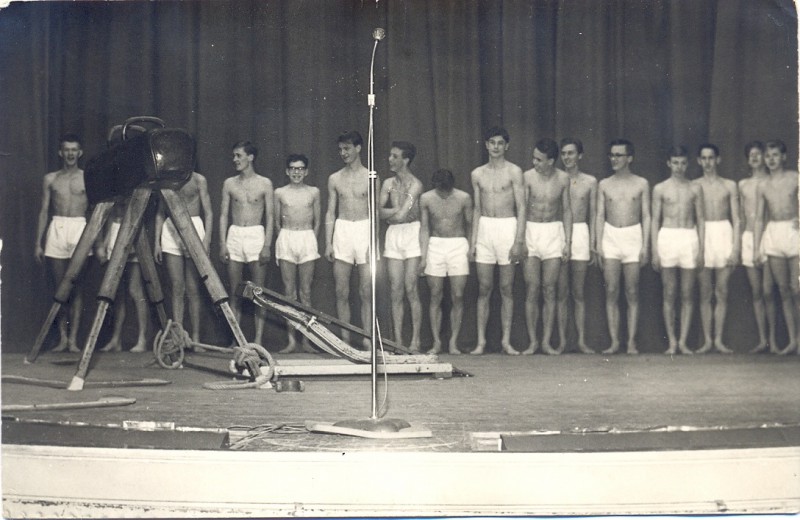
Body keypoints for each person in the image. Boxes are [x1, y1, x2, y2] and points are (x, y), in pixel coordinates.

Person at [468, 127, 526, 355]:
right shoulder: (477, 174)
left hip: (507, 227)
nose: (495, 147)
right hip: (485, 229)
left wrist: (519, 239)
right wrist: (473, 242)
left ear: (506, 146)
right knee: (484, 287)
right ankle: (481, 342)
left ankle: (505, 342)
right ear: (486, 145)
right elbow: (476, 209)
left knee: (506, 287)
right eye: (492, 142)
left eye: (500, 143)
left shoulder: (514, 172)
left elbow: (521, 207)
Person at [34, 134, 89, 353]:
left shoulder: (87, 178)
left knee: (75, 287)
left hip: (79, 228)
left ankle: (74, 340)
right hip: (57, 228)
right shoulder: (51, 179)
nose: (70, 153)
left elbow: (95, 209)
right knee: (60, 288)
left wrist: (98, 241)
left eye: (74, 149)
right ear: (61, 153)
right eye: (66, 150)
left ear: (80, 152)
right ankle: (63, 339)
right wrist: (38, 243)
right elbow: (44, 212)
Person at [596, 138, 651, 355]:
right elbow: (600, 215)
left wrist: (646, 245)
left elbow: (646, 215)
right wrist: (598, 244)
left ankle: (631, 343)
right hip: (610, 236)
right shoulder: (604, 184)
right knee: (610, 290)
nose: (614, 159)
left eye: (619, 155)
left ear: (630, 158)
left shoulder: (641, 183)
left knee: (632, 291)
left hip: (633, 236)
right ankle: (614, 342)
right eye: (612, 155)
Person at [219, 141, 273, 347]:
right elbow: (223, 214)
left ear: (250, 157)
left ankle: (258, 340)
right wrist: (222, 243)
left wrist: (267, 245)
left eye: (239, 156)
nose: (235, 160)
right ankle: (236, 339)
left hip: (256, 235)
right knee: (235, 291)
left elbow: (271, 216)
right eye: (234, 156)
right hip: (235, 234)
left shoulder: (265, 183)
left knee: (258, 292)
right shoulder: (229, 184)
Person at [651, 146, 705, 355]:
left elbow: (700, 219)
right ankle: (672, 342)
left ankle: (683, 341)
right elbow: (655, 219)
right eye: (675, 162)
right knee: (669, 292)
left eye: (682, 163)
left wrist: (700, 248)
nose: (679, 167)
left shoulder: (694, 188)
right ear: (669, 163)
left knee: (687, 293)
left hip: (688, 237)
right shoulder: (660, 189)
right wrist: (654, 250)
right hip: (668, 236)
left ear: (687, 164)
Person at [324, 131, 375, 349]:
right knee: (341, 290)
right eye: (340, 149)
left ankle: (367, 338)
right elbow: (330, 212)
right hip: (343, 230)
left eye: (347, 148)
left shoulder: (371, 176)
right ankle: (344, 341)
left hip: (364, 229)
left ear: (358, 148)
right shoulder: (335, 178)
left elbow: (374, 212)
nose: (343, 153)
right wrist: (328, 242)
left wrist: (373, 242)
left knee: (366, 290)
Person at [521, 138, 572, 355]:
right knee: (532, 288)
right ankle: (533, 342)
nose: (535, 163)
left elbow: (567, 210)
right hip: (531, 231)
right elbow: (522, 208)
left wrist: (567, 242)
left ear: (551, 161)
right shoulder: (527, 177)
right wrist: (520, 239)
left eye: (539, 160)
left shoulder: (563, 178)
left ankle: (546, 342)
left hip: (553, 232)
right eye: (533, 158)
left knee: (550, 289)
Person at [154, 171, 213, 348]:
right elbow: (159, 212)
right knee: (177, 287)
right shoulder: (165, 179)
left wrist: (207, 240)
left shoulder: (199, 179)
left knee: (193, 288)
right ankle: (178, 337)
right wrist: (156, 242)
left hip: (194, 227)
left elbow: (208, 212)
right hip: (171, 229)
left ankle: (195, 338)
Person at [419, 168, 473, 355]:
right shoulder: (426, 198)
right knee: (435, 294)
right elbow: (424, 228)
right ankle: (436, 342)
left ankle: (453, 342)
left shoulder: (463, 198)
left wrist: (472, 247)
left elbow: (470, 225)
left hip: (458, 244)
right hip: (435, 244)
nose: (443, 193)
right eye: (440, 190)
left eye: (446, 190)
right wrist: (423, 256)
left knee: (457, 295)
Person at [693, 143, 740, 354]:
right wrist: (698, 246)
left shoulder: (729, 185)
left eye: (711, 158)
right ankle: (706, 341)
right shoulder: (694, 185)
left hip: (723, 233)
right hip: (702, 234)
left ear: (717, 160)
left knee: (721, 290)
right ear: (699, 161)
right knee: (704, 291)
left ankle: (718, 340)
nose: (708, 162)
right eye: (704, 158)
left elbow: (737, 219)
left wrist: (736, 247)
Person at [754, 139, 799, 355]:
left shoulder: (795, 178)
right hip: (774, 233)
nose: (771, 159)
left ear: (784, 157)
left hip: (794, 231)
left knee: (796, 288)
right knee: (783, 290)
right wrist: (756, 248)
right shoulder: (762, 185)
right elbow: (758, 220)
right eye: (767, 156)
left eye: (775, 155)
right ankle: (792, 341)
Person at [379, 141, 424, 352]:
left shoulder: (416, 185)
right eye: (389, 155)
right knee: (396, 289)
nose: (390, 159)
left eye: (394, 156)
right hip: (394, 236)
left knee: (411, 287)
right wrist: (394, 211)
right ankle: (397, 341)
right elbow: (378, 212)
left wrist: (393, 211)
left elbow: (402, 214)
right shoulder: (387, 183)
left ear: (405, 160)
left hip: (412, 232)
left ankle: (415, 340)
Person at [274, 153, 321, 353]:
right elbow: (277, 221)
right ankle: (291, 341)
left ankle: (307, 341)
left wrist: (311, 238)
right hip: (287, 238)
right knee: (289, 293)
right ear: (287, 171)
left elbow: (317, 221)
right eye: (293, 168)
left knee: (306, 293)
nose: (297, 172)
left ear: (306, 171)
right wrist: (285, 237)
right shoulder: (280, 193)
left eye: (300, 169)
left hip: (307, 238)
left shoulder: (314, 192)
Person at [556, 138, 597, 354]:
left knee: (578, 292)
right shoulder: (556, 179)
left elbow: (593, 214)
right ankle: (562, 341)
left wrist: (591, 245)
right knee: (561, 291)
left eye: (571, 153)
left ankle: (581, 341)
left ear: (580, 155)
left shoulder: (590, 182)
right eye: (563, 153)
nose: (567, 158)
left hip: (581, 233)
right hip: (559, 233)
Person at [738, 141, 777, 353]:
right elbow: (741, 217)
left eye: (758, 154)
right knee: (756, 292)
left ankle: (774, 340)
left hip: (769, 237)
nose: (754, 158)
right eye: (750, 155)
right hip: (748, 238)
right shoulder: (743, 184)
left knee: (769, 291)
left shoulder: (772, 181)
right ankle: (763, 340)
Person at [97, 199, 149, 352]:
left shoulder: (135, 183)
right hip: (115, 232)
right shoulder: (113, 185)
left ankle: (142, 339)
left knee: (135, 291)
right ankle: (116, 340)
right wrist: (104, 244)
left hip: (134, 232)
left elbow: (139, 213)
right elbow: (111, 217)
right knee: (116, 293)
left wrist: (131, 241)